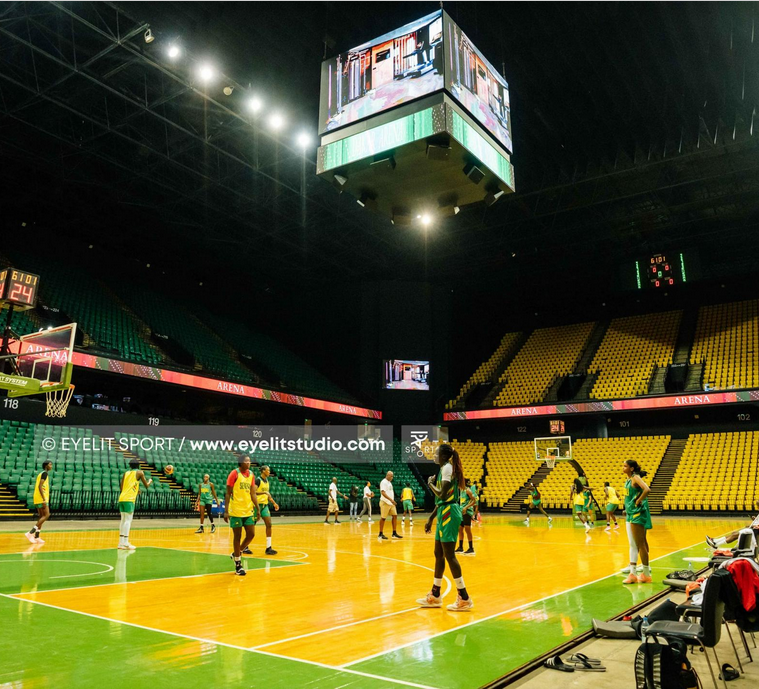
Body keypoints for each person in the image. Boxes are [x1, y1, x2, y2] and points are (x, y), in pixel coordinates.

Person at [417, 444, 473, 611]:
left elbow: (441, 494)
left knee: (449, 555)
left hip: (449, 511)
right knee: (438, 553)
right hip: (443, 510)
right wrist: (431, 518)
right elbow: (442, 499)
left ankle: (464, 597)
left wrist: (430, 484)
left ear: (443, 456)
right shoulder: (444, 469)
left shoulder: (448, 468)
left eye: (436, 453)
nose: (434, 455)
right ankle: (435, 595)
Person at [224, 455, 259, 576]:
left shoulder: (251, 475)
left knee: (251, 534)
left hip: (248, 510)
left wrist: (258, 509)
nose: (249, 463)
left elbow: (253, 493)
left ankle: (236, 552)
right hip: (236, 510)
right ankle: (238, 564)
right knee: (237, 537)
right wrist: (226, 510)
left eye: (249, 461)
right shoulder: (234, 474)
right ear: (241, 463)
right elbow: (228, 493)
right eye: (246, 461)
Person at [622, 459, 652, 584]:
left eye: (625, 466)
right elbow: (630, 496)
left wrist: (638, 501)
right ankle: (633, 573)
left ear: (632, 468)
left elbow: (647, 489)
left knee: (640, 545)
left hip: (637, 514)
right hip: (630, 514)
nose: (623, 468)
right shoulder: (628, 480)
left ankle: (646, 574)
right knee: (633, 544)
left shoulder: (635, 478)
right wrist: (627, 508)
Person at [117, 459, 152, 550]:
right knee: (128, 520)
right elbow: (146, 486)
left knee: (123, 520)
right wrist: (150, 481)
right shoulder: (140, 472)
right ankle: (126, 543)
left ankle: (121, 543)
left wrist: (136, 490)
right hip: (129, 499)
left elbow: (122, 487)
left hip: (122, 497)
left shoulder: (126, 473)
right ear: (138, 465)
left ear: (130, 465)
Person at [25, 460, 53, 545]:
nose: (51, 466)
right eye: (50, 464)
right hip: (41, 498)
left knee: (41, 517)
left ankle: (37, 536)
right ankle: (30, 533)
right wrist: (44, 499)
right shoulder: (44, 473)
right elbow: (40, 486)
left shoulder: (41, 474)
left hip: (37, 497)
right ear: (46, 466)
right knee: (47, 515)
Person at [254, 465, 279, 555]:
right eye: (268, 470)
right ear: (263, 471)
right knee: (251, 527)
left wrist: (274, 503)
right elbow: (253, 492)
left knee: (269, 524)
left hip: (265, 506)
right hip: (256, 506)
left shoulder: (267, 481)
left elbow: (267, 495)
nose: (269, 472)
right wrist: (264, 492)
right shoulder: (258, 480)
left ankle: (268, 547)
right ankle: (245, 547)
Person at [378, 471, 402, 540]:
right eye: (391, 476)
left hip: (391, 503)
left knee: (395, 516)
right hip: (385, 502)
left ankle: (394, 533)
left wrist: (392, 501)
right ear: (387, 475)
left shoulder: (389, 483)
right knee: (383, 518)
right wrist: (391, 499)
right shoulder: (384, 482)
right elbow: (383, 492)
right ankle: (380, 534)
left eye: (392, 476)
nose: (392, 477)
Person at [455, 479, 477, 555]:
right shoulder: (461, 491)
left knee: (467, 530)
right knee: (460, 529)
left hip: (467, 512)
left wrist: (466, 507)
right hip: (461, 512)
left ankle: (471, 548)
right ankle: (460, 547)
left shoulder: (468, 490)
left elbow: (474, 501)